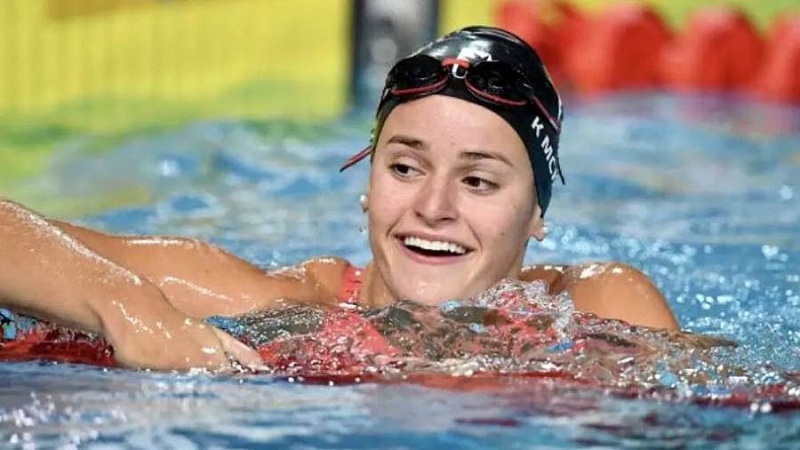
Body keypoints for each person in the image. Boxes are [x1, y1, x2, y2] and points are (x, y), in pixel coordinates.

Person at [0, 26, 678, 372]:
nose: (433, 206)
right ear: (368, 187)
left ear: (536, 216)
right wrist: (131, 308)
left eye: (477, 181)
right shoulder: (289, 304)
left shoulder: (595, 307)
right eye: (406, 167)